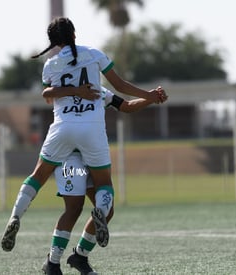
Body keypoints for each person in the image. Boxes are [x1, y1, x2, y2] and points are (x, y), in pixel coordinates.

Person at [1, 17, 167, 253]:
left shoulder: (51, 65)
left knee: (45, 182)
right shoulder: (96, 70)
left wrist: (72, 91)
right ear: (74, 34)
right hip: (92, 134)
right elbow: (121, 89)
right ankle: (97, 214)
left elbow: (48, 92)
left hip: (64, 135)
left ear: (53, 41)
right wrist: (149, 95)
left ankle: (16, 216)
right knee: (104, 187)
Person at [41, 86, 167, 274]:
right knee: (73, 208)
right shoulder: (65, 88)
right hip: (70, 157)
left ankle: (80, 256)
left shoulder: (100, 91)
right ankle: (52, 263)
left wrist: (150, 98)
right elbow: (47, 95)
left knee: (106, 211)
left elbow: (127, 105)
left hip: (92, 156)